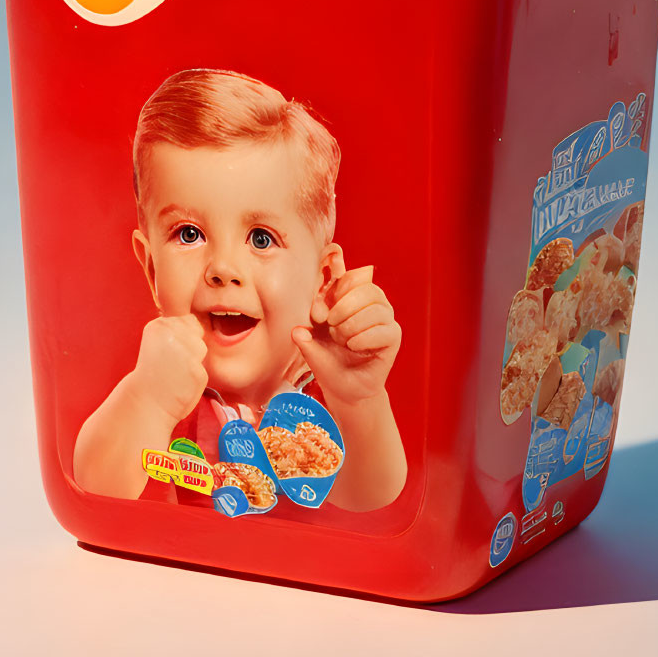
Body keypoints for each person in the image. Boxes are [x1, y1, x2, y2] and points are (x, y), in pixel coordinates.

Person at [73, 68, 407, 512]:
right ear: (152, 269)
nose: (223, 269)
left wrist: (359, 399)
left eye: (261, 239)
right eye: (189, 234)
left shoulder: (318, 404)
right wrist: (146, 399)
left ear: (321, 279)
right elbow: (93, 491)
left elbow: (370, 499)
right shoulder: (164, 395)